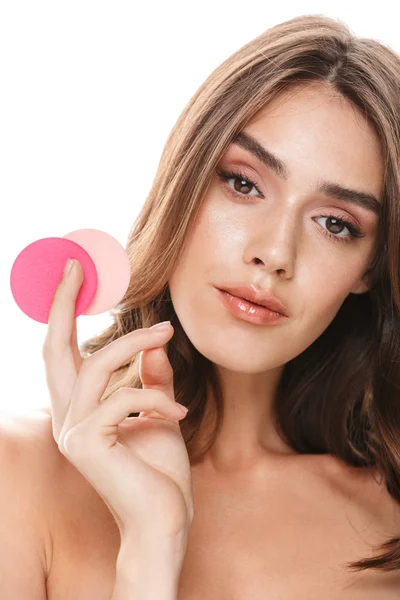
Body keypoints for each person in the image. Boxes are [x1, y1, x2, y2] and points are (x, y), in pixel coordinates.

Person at [2, 12, 400, 599]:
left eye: (335, 223)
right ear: (184, 183)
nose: (273, 253)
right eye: (244, 183)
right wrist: (152, 540)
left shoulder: (388, 521)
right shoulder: (19, 479)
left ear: (369, 268)